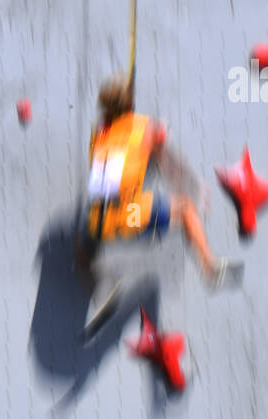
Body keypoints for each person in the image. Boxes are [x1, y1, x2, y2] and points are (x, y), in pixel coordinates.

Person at [76, 74, 241, 291]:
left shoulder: (98, 132)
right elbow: (168, 165)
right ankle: (209, 268)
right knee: (186, 210)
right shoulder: (146, 129)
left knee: (94, 225)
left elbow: (117, 153)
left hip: (99, 220)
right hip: (132, 217)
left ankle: (88, 266)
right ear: (130, 103)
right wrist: (194, 186)